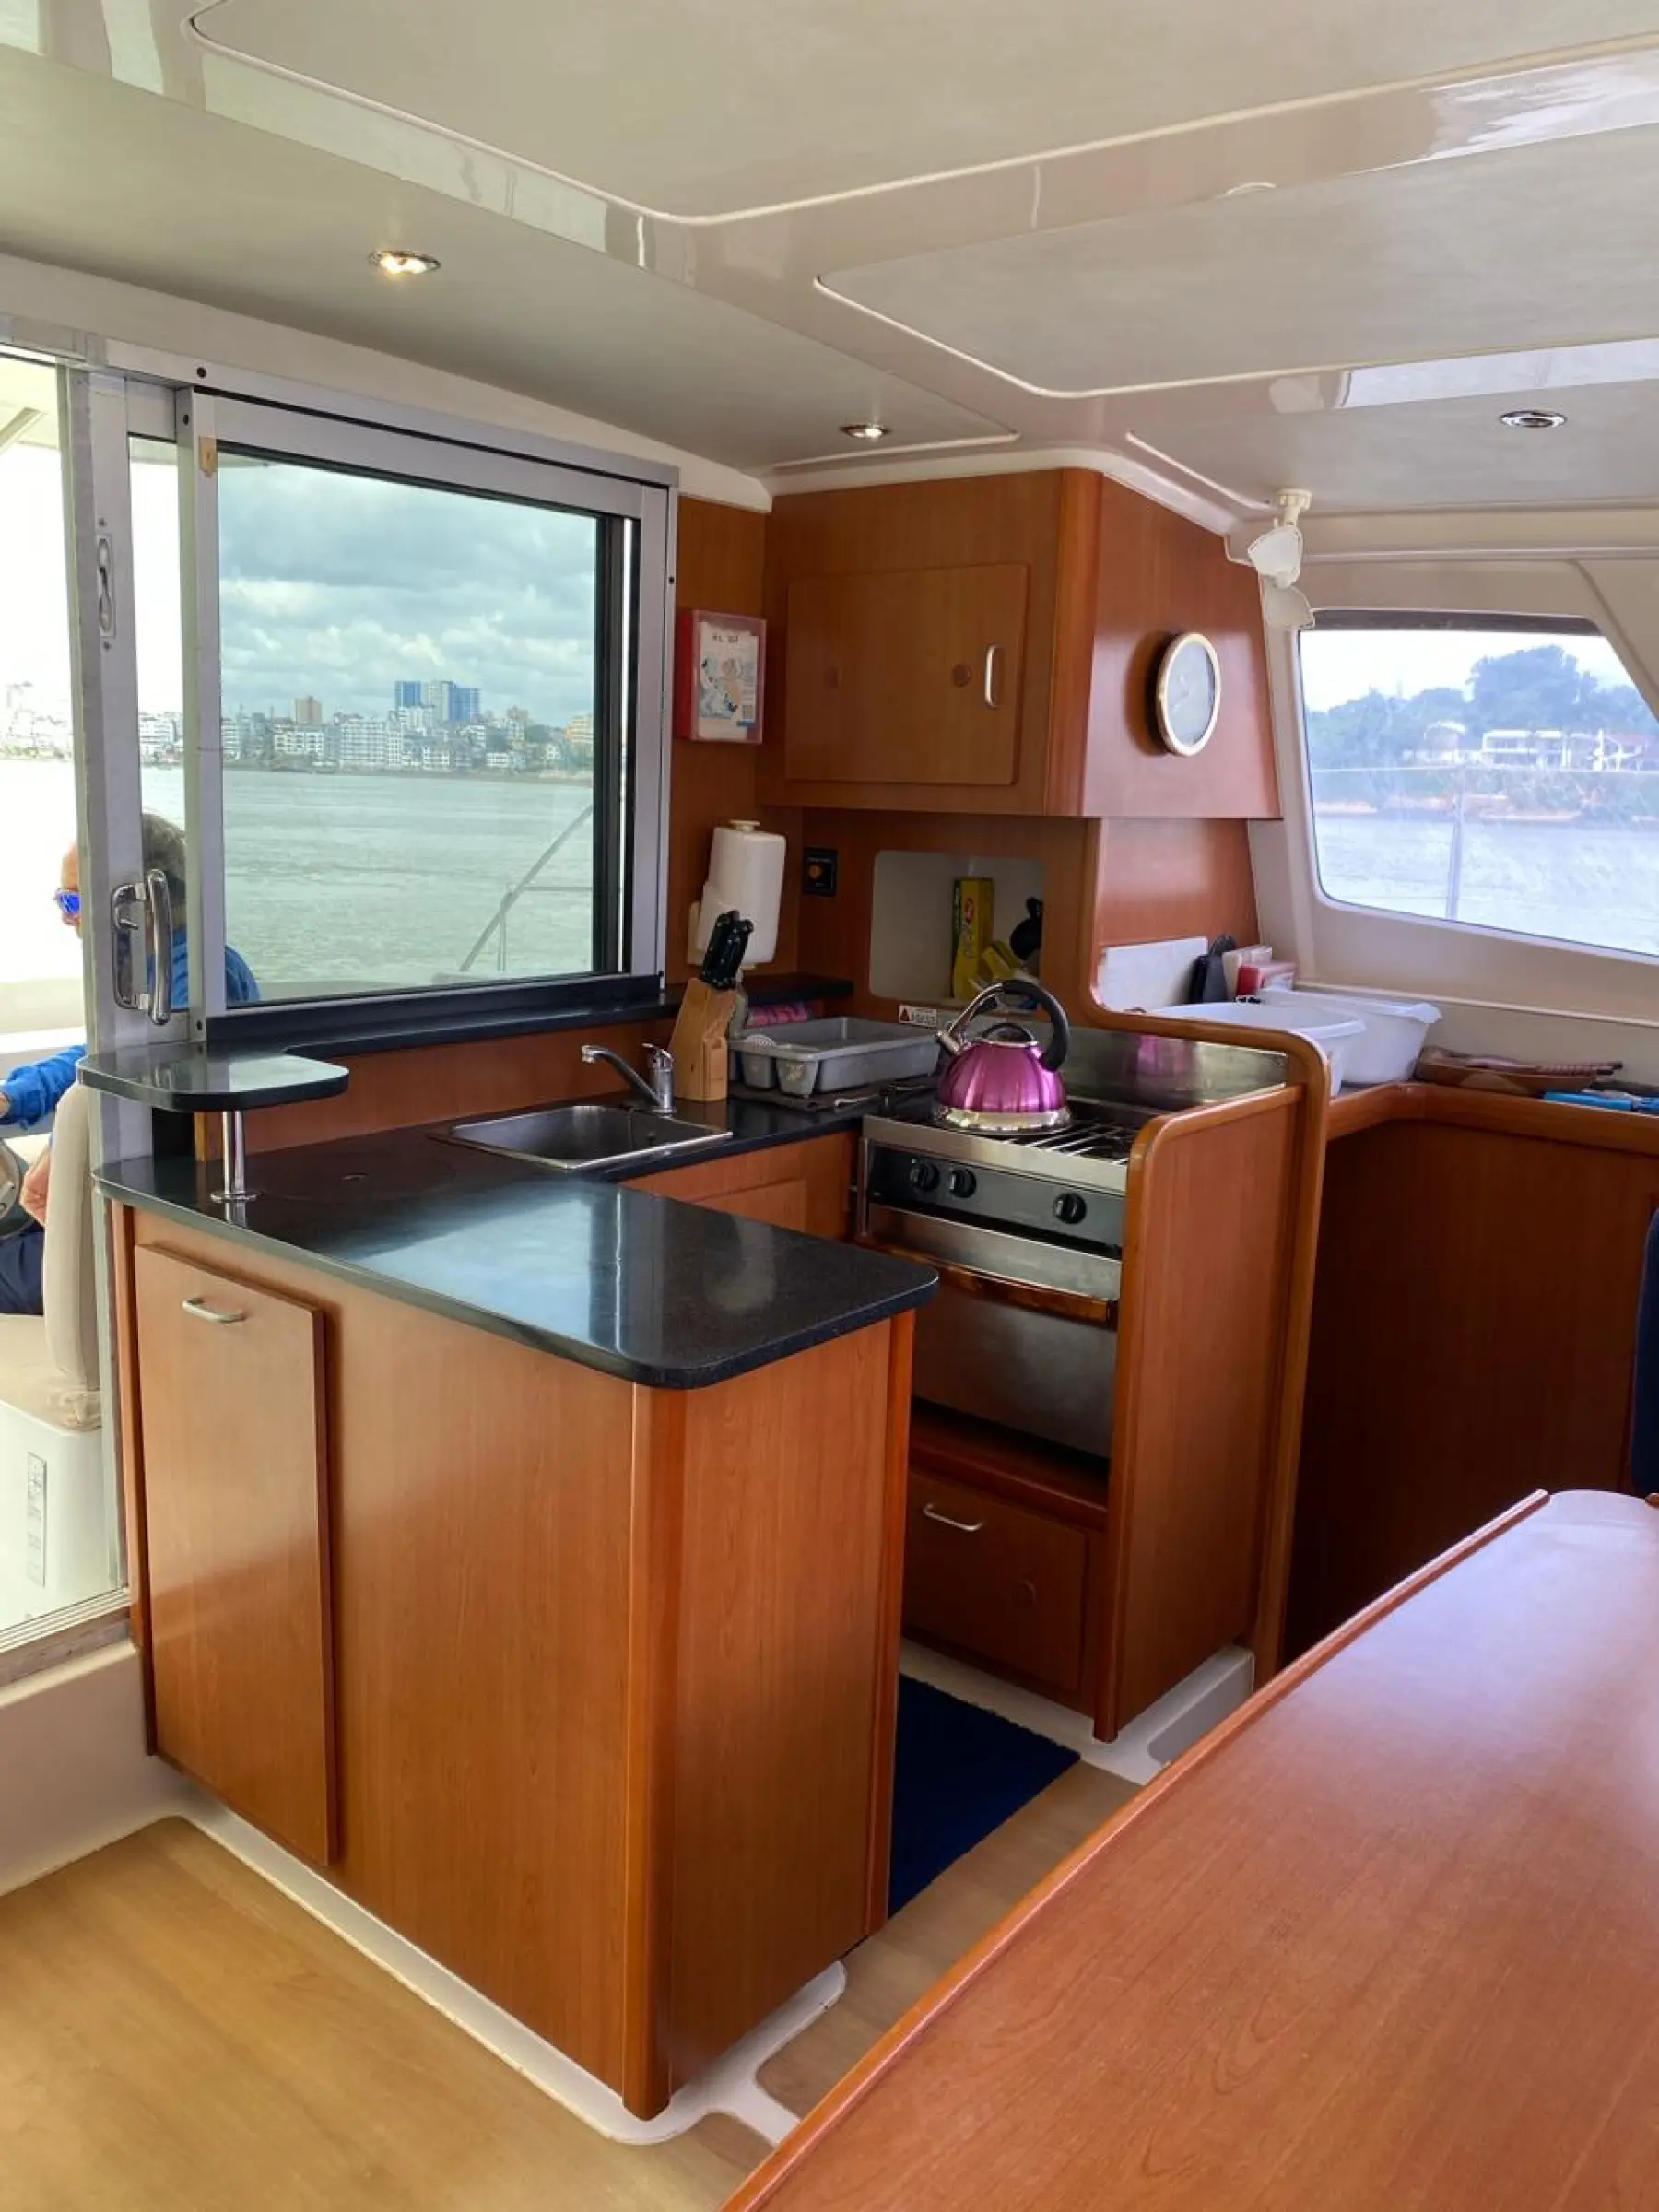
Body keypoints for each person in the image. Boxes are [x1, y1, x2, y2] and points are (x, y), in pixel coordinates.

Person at [0, 816, 258, 1316]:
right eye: (62, 901)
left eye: (73, 902)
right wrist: (15, 1096)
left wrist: (60, 1152)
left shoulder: (195, 980)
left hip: (144, 1205)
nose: (66, 918)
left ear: (135, 903)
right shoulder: (146, 972)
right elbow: (96, 1055)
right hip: (104, 1188)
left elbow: (152, 1077)